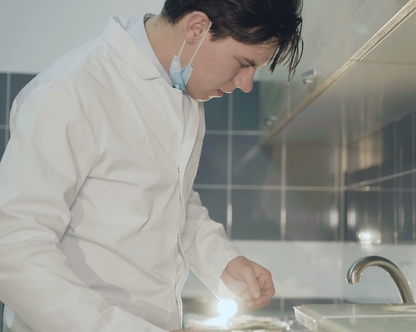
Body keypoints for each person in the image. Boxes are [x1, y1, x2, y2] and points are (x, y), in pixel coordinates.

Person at [0, 0, 303, 331]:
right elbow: (13, 246)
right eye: (244, 63)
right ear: (197, 29)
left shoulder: (182, 95)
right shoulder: (71, 90)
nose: (246, 84)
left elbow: (170, 200)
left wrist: (223, 262)